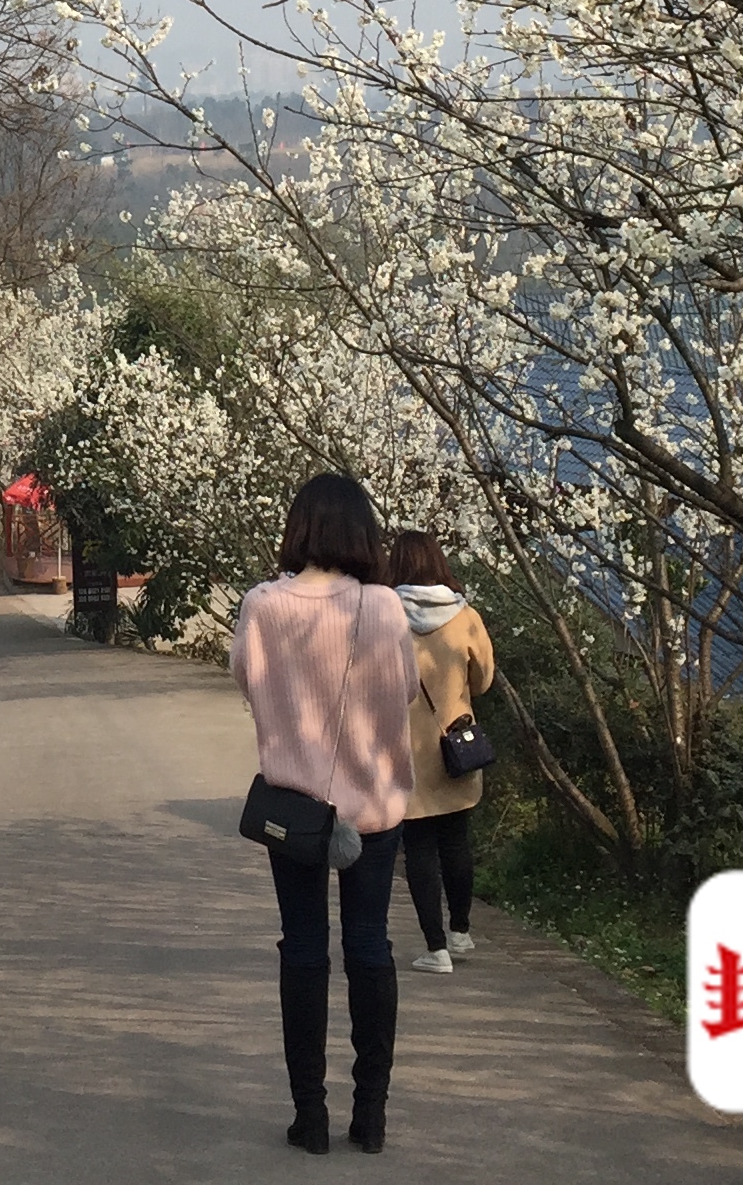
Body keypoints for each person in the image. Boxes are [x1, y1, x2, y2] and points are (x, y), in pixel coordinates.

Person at [233, 471, 416, 1155]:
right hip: (374, 804)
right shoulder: (385, 608)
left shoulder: (263, 605)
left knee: (304, 949)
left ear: (299, 527)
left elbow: (247, 682)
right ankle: (371, 1115)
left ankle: (309, 1115)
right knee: (370, 946)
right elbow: (407, 690)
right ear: (363, 531)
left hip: (295, 811)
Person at [386, 529, 496, 974]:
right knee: (456, 841)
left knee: (419, 849)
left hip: (406, 749)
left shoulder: (385, 615)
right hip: (456, 747)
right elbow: (484, 679)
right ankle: (461, 931)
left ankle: (436, 948)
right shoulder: (464, 614)